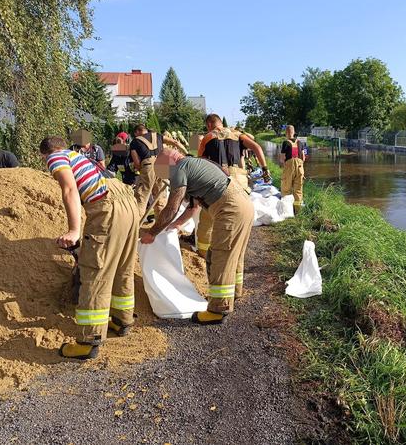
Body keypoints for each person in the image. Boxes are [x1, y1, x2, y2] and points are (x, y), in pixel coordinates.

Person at [40, 136, 139, 360]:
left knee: (96, 272)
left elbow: (69, 190)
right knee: (122, 265)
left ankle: (88, 341)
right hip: (128, 202)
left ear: (44, 154)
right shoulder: (81, 157)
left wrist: (74, 230)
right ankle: (122, 321)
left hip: (107, 205)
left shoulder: (56, 157)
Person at [140, 150, 254, 325]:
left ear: (168, 164)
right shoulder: (194, 164)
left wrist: (152, 233)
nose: (168, 178)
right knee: (234, 254)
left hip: (230, 208)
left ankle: (218, 310)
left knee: (219, 257)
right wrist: (177, 225)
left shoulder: (179, 168)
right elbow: (193, 207)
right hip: (243, 204)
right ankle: (234, 293)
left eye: (164, 172)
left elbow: (172, 207)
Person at [195, 114, 269, 298]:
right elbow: (257, 147)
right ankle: (237, 289)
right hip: (241, 180)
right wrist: (265, 168)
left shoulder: (208, 137)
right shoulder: (238, 134)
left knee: (207, 220)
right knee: (238, 237)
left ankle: (202, 254)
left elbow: (200, 163)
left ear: (210, 124)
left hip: (219, 179)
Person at [129, 124, 188, 219]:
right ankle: (160, 227)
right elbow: (175, 142)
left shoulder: (135, 142)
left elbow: (136, 162)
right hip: (162, 164)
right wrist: (186, 153)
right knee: (160, 197)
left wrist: (142, 171)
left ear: (137, 132)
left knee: (141, 197)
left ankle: (135, 226)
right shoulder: (157, 135)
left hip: (148, 166)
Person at [280, 125, 305, 215]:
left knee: (286, 188)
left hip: (289, 166)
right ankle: (297, 212)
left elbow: (282, 158)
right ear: (294, 132)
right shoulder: (300, 143)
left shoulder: (285, 143)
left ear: (286, 133)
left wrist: (284, 167)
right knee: (298, 190)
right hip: (300, 166)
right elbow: (303, 157)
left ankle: (287, 212)